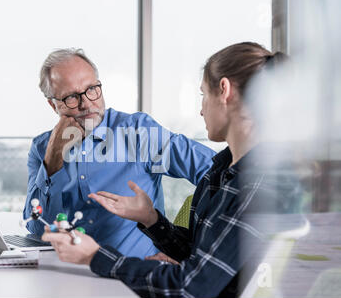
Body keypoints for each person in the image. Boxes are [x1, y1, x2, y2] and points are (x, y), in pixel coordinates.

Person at [42, 42, 289, 297]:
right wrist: (150, 218)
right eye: (72, 97)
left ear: (224, 91)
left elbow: (191, 286)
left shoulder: (254, 188)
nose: (200, 109)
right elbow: (199, 258)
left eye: (203, 94)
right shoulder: (221, 173)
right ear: (54, 105)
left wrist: (94, 256)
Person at [24, 48, 215, 259]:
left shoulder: (139, 133)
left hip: (134, 278)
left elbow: (218, 172)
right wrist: (52, 162)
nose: (86, 103)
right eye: (71, 97)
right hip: (66, 276)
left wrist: (195, 254)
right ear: (53, 105)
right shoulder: (42, 148)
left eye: (92, 89)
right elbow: (35, 228)